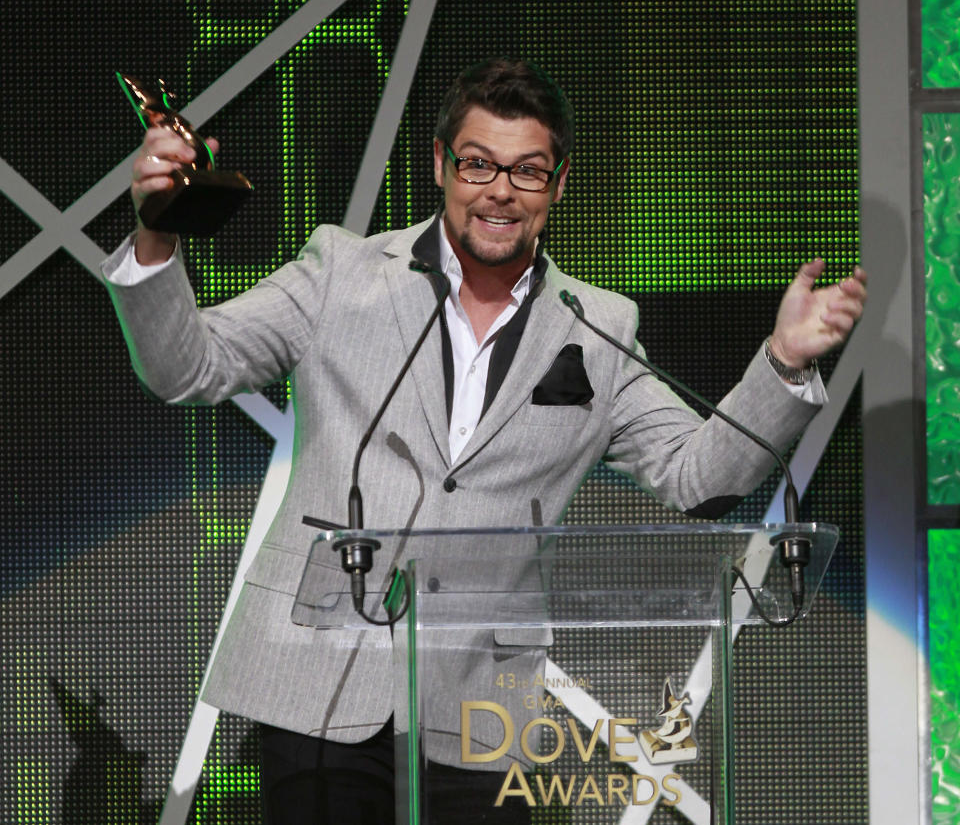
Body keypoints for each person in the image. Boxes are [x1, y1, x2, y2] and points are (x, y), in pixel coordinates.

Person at [102, 58, 867, 823]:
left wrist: (786, 362)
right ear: (441, 166)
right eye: (478, 164)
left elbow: (700, 476)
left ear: (558, 184)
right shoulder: (340, 272)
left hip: (478, 711)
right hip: (316, 684)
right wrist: (157, 232)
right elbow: (186, 368)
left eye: (528, 172)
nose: (500, 190)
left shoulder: (599, 329)